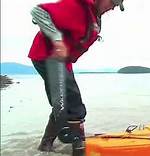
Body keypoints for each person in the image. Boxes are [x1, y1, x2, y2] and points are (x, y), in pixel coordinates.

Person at [28, 0, 124, 155]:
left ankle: (45, 147)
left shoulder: (94, 16)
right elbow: (38, 12)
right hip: (48, 56)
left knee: (62, 104)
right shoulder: (78, 6)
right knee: (74, 103)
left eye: (115, 5)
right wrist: (57, 40)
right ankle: (79, 150)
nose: (112, 7)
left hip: (61, 62)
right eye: (112, 2)